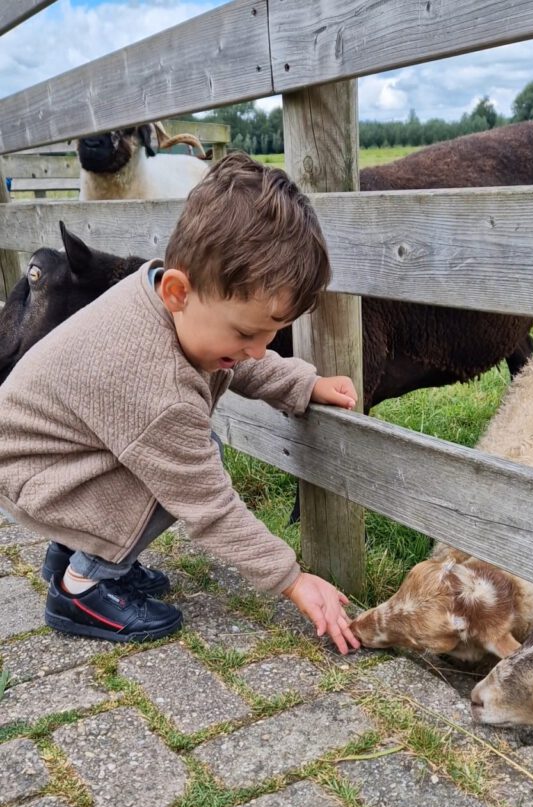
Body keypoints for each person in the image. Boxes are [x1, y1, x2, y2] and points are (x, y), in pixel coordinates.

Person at [0, 152, 360, 655]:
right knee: (178, 470)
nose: (258, 349)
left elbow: (237, 361)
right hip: (35, 474)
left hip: (52, 457)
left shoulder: (164, 297)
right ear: (178, 291)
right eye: (246, 333)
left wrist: (303, 383)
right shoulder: (157, 385)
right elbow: (208, 505)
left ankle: (74, 551)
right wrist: (292, 579)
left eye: (271, 335)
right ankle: (80, 588)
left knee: (181, 442)